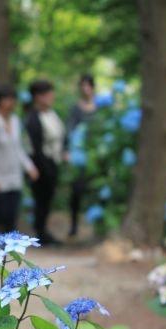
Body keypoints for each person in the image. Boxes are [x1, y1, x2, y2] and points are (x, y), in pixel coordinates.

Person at [0, 84, 39, 232]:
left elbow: (17, 147)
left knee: (11, 216)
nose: (11, 103)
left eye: (13, 99)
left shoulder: (15, 120)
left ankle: (9, 250)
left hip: (14, 176)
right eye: (7, 99)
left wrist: (29, 166)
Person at [25, 80, 65, 245]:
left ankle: (42, 230)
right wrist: (44, 169)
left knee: (47, 199)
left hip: (53, 162)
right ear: (37, 97)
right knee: (41, 199)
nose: (51, 97)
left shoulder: (52, 114)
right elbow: (36, 148)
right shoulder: (33, 118)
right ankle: (40, 232)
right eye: (47, 94)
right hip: (41, 165)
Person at [66, 74, 97, 237]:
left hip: (96, 155)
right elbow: (69, 130)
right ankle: (74, 226)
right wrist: (68, 152)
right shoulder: (75, 108)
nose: (85, 89)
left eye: (88, 85)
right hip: (79, 156)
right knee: (76, 191)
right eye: (83, 85)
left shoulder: (100, 107)